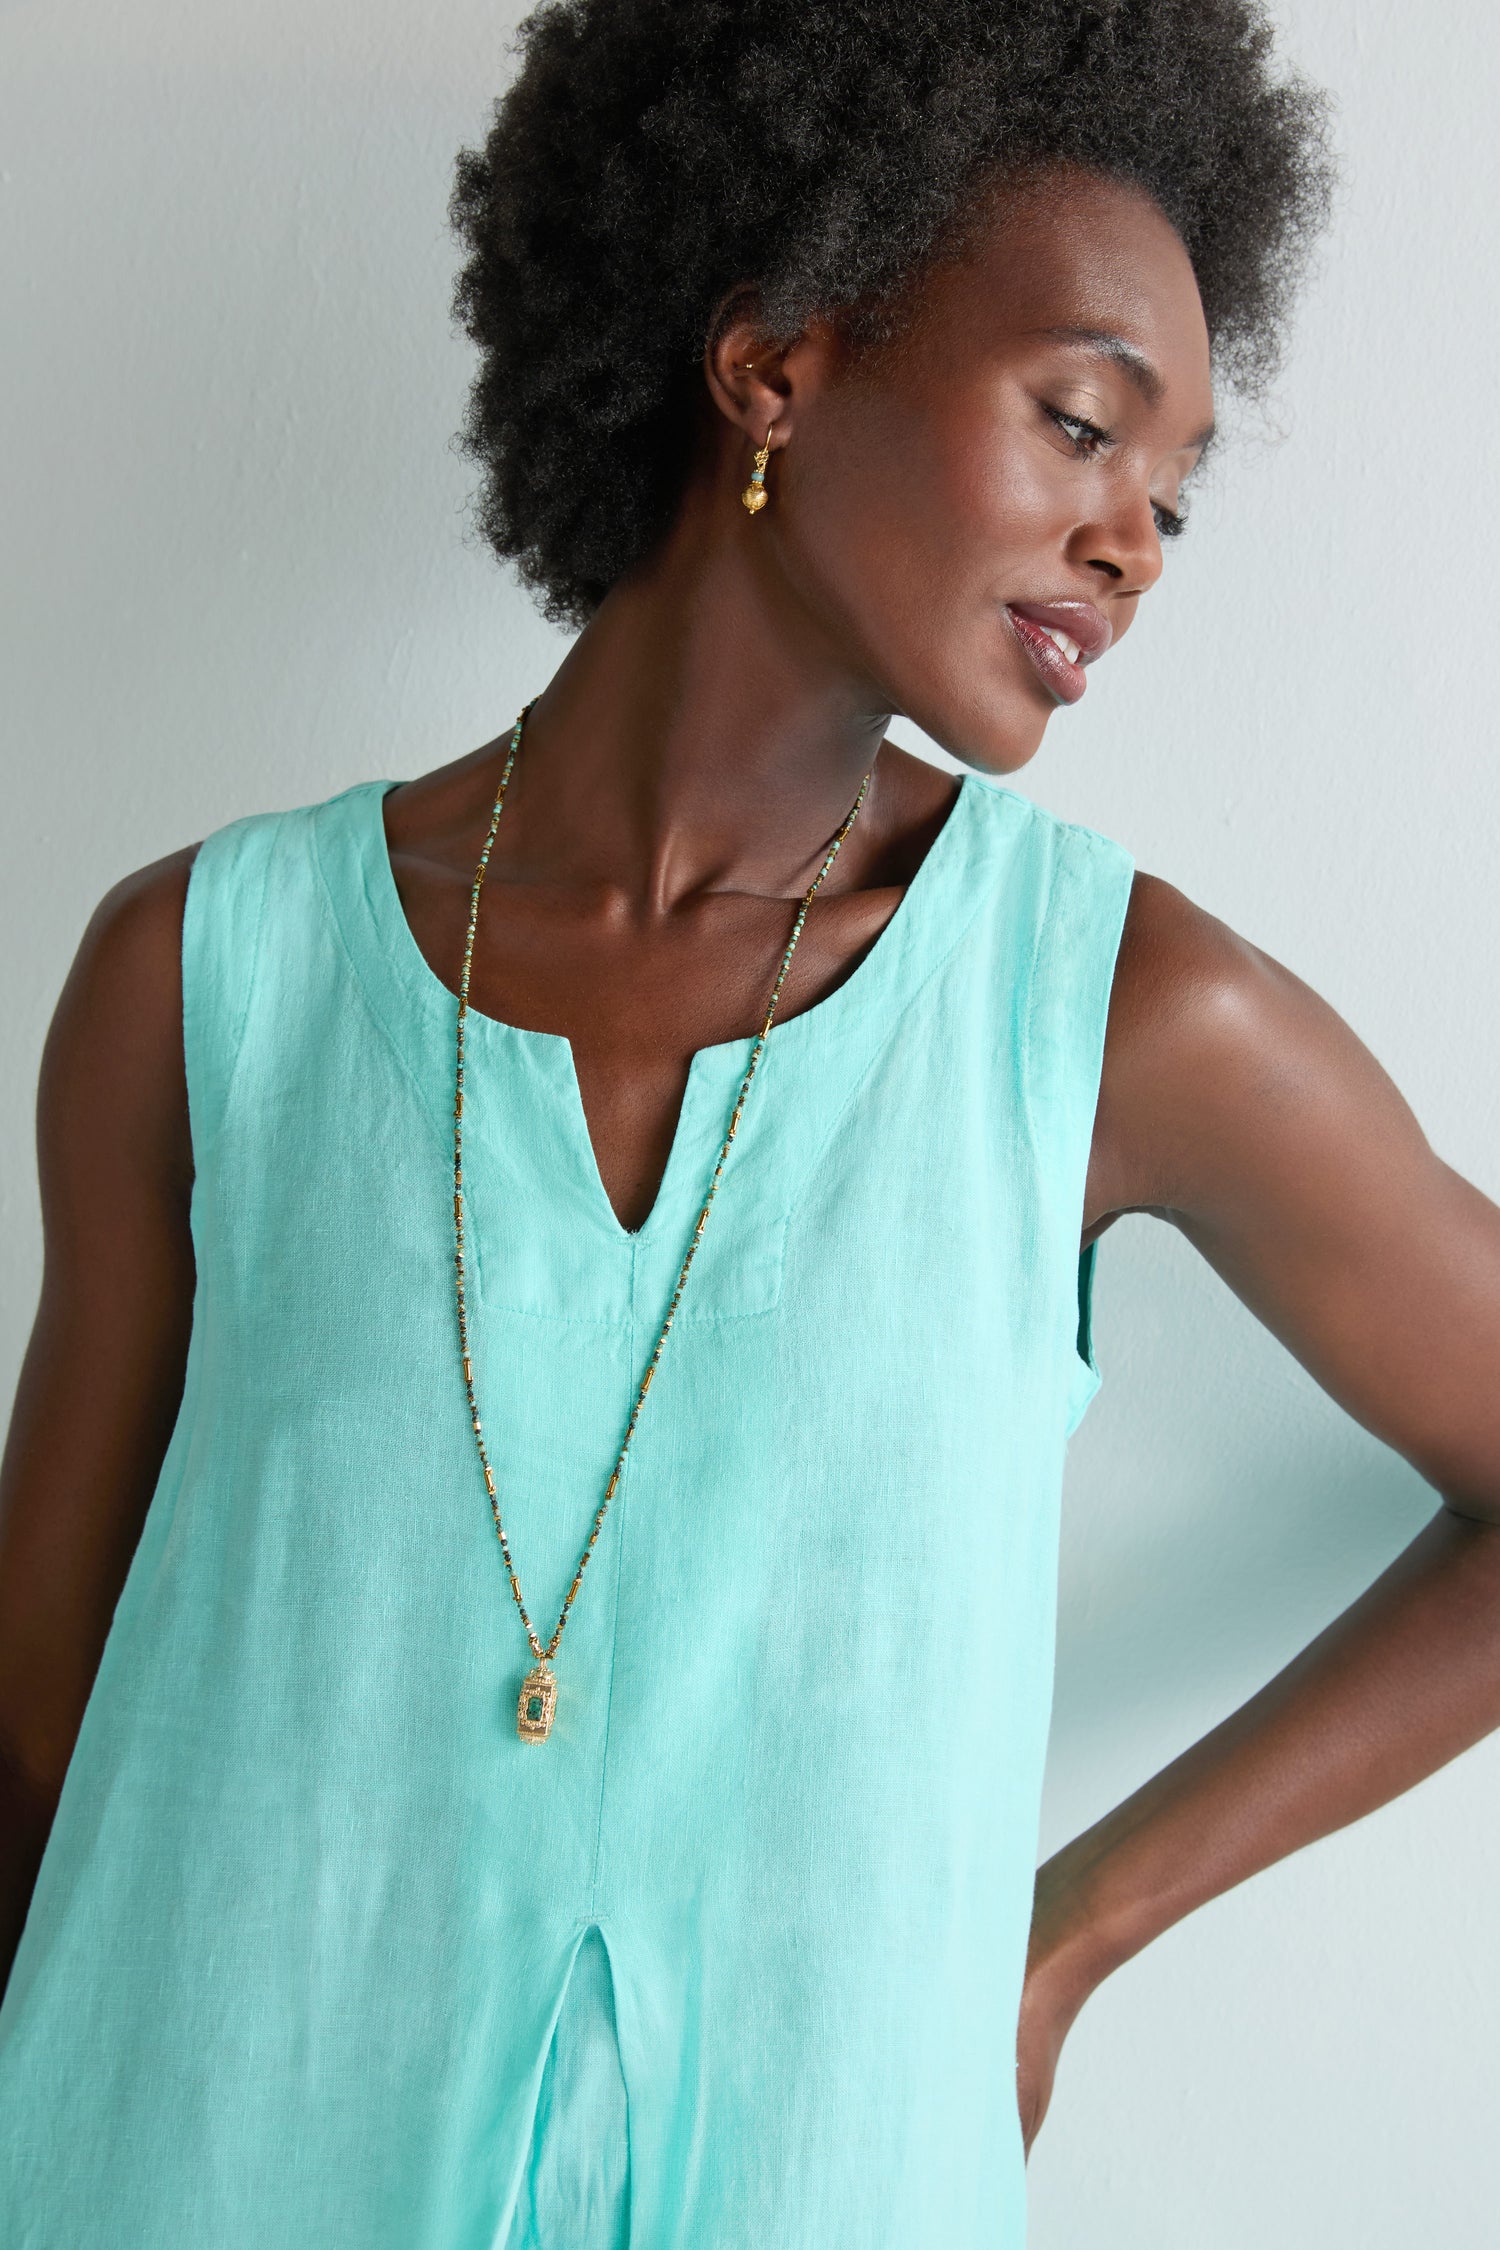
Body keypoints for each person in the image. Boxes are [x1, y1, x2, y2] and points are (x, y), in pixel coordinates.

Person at [1, 1, 1496, 2244]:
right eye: (1083, 423)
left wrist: (1061, 1943)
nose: (1135, 544)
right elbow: (37, 1737)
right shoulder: (207, 975)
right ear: (772, 362)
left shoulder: (1124, 1019)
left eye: (1170, 493)